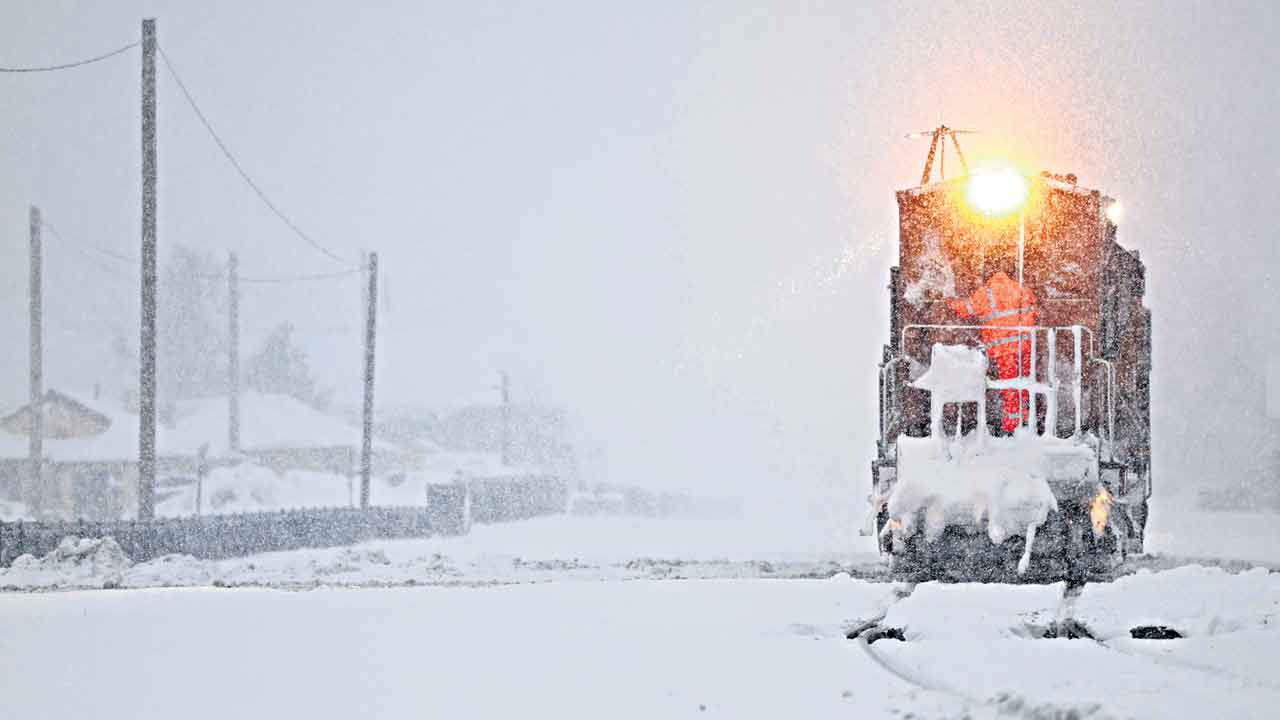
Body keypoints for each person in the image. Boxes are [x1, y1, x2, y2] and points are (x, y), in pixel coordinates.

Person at [948, 271, 1037, 434]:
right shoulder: (1021, 289)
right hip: (1025, 346)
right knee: (1024, 384)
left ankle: (1012, 428)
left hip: (1005, 349)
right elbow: (1033, 311)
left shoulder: (986, 292)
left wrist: (950, 303)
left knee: (1010, 387)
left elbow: (967, 309)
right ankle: (1025, 421)